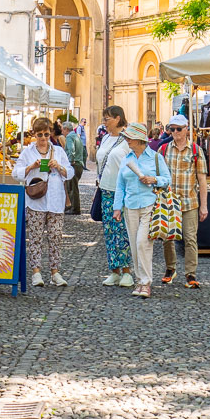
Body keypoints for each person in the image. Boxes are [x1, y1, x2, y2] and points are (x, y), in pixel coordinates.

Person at [12, 117, 74, 287]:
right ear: (34, 134)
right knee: (35, 237)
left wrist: (59, 167)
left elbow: (70, 172)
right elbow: (15, 173)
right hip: (36, 201)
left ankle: (55, 272)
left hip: (55, 200)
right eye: (40, 134)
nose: (43, 138)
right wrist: (31, 167)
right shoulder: (27, 152)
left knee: (55, 237)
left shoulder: (59, 152)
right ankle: (36, 272)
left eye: (46, 134)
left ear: (50, 133)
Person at [113, 122, 171, 299]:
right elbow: (120, 185)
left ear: (139, 140)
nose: (127, 140)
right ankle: (139, 281)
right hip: (130, 206)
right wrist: (117, 208)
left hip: (149, 205)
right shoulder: (127, 158)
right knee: (134, 244)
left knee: (142, 243)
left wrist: (153, 179)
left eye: (129, 138)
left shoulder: (155, 157)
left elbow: (167, 179)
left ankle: (146, 283)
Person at [161, 114, 208, 288]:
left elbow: (202, 180)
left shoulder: (195, 150)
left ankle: (190, 273)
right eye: (172, 129)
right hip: (169, 201)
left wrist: (204, 206)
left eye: (178, 129)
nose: (175, 132)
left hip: (189, 201)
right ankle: (170, 268)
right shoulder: (164, 149)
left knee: (190, 239)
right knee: (167, 238)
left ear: (187, 129)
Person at [97, 105, 134, 288]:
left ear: (118, 119)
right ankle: (114, 270)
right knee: (109, 232)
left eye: (107, 118)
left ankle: (127, 271)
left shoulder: (128, 140)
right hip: (105, 190)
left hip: (122, 192)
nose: (105, 122)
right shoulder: (105, 138)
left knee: (122, 232)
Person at [62, 120, 86, 215]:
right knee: (73, 186)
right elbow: (84, 152)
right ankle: (73, 207)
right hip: (79, 164)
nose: (62, 132)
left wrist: (70, 162)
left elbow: (71, 150)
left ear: (66, 129)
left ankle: (74, 208)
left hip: (74, 164)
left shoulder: (69, 137)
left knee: (72, 187)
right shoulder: (76, 136)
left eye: (62, 130)